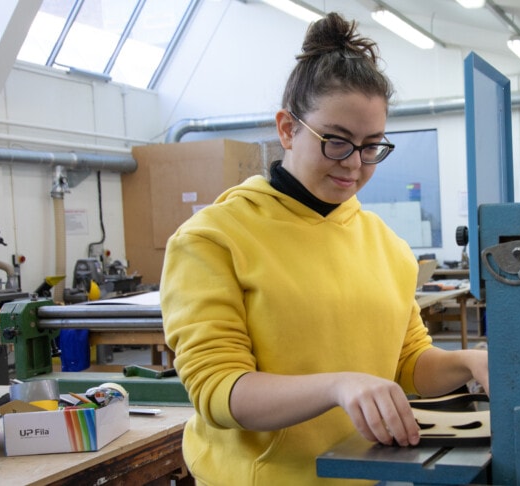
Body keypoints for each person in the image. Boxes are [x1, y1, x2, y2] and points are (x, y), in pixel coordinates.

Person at [160, 12, 489, 486]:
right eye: (337, 142)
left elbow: (407, 363)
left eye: (372, 145)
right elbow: (218, 392)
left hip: (368, 475)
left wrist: (469, 361)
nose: (355, 164)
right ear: (288, 129)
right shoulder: (214, 239)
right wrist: (338, 384)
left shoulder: (388, 247)